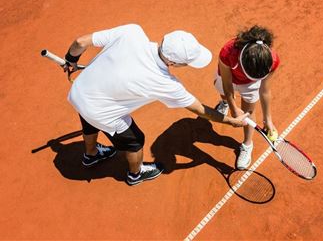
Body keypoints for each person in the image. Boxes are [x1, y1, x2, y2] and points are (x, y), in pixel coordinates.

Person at [64, 24, 249, 186]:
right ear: (174, 63)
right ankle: (135, 175)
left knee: (89, 116)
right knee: (135, 141)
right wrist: (231, 121)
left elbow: (81, 42)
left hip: (80, 92)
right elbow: (201, 110)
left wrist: (70, 59)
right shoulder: (166, 83)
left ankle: (92, 154)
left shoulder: (132, 32)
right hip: (99, 110)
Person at [213, 25, 280, 170]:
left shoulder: (271, 60)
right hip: (228, 78)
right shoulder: (227, 52)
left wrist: (267, 120)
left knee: (249, 111)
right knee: (224, 93)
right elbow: (227, 83)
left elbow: (265, 90)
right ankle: (224, 103)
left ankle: (247, 144)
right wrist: (233, 108)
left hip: (250, 85)